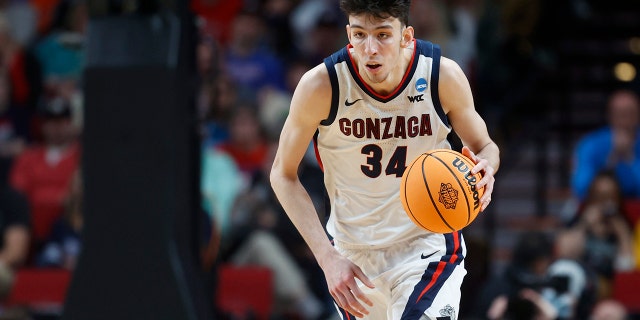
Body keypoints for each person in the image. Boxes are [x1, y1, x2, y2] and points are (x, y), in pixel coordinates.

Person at [269, 0, 500, 318]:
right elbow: (282, 174)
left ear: (406, 36)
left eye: (382, 35)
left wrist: (487, 166)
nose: (370, 49)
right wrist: (327, 257)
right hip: (354, 254)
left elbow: (485, 146)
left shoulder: (440, 75)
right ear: (349, 34)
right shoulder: (320, 86)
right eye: (360, 35)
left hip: (427, 243)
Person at [571, 89, 640, 201]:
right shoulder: (591, 144)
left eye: (630, 113)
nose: (625, 120)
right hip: (600, 210)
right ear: (610, 116)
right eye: (620, 114)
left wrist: (631, 160)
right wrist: (611, 160)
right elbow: (580, 189)